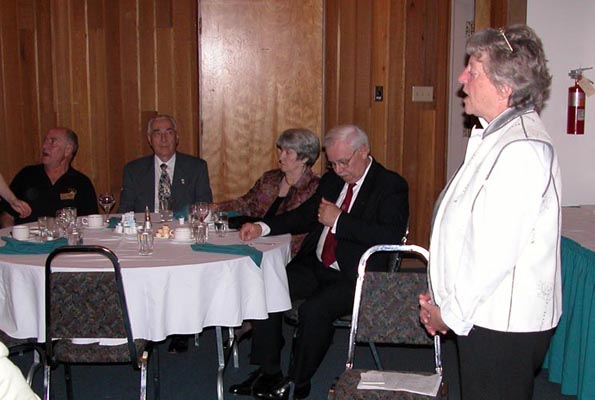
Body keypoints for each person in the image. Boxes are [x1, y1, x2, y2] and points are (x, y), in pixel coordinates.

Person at [419, 25, 562, 400]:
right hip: (486, 315)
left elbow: (490, 254)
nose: (462, 78)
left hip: (502, 324)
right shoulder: (496, 136)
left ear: (505, 87)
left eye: (473, 70)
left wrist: (449, 313)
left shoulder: (521, 150)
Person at [230, 124, 409, 399]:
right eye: (333, 163)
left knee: (314, 311)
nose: (337, 169)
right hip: (317, 265)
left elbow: (389, 235)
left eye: (343, 162)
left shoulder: (390, 185)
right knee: (266, 286)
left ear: (363, 151)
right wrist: (262, 226)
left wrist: (339, 220)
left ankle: (297, 382)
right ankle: (270, 372)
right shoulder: (334, 180)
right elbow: (303, 215)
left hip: (355, 275)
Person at [118, 114, 213, 354]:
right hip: (146, 235)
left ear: (177, 137)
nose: (163, 138)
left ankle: (181, 329)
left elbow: (203, 205)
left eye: (168, 132)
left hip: (181, 237)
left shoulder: (196, 167)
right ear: (149, 140)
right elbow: (125, 209)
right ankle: (144, 326)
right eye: (157, 133)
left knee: (181, 271)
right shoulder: (133, 169)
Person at [216, 128, 321, 257]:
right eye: (281, 150)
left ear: (304, 158)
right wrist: (216, 208)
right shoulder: (270, 179)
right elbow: (246, 203)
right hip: (255, 241)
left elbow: (299, 222)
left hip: (291, 252)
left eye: (288, 153)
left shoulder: (314, 186)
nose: (281, 157)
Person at [0, 128, 98, 227]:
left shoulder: (81, 182)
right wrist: (14, 238)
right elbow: (6, 216)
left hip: (67, 241)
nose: (44, 146)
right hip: (27, 240)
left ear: (68, 150)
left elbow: (91, 222)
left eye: (52, 142)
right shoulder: (26, 175)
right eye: (45, 141)